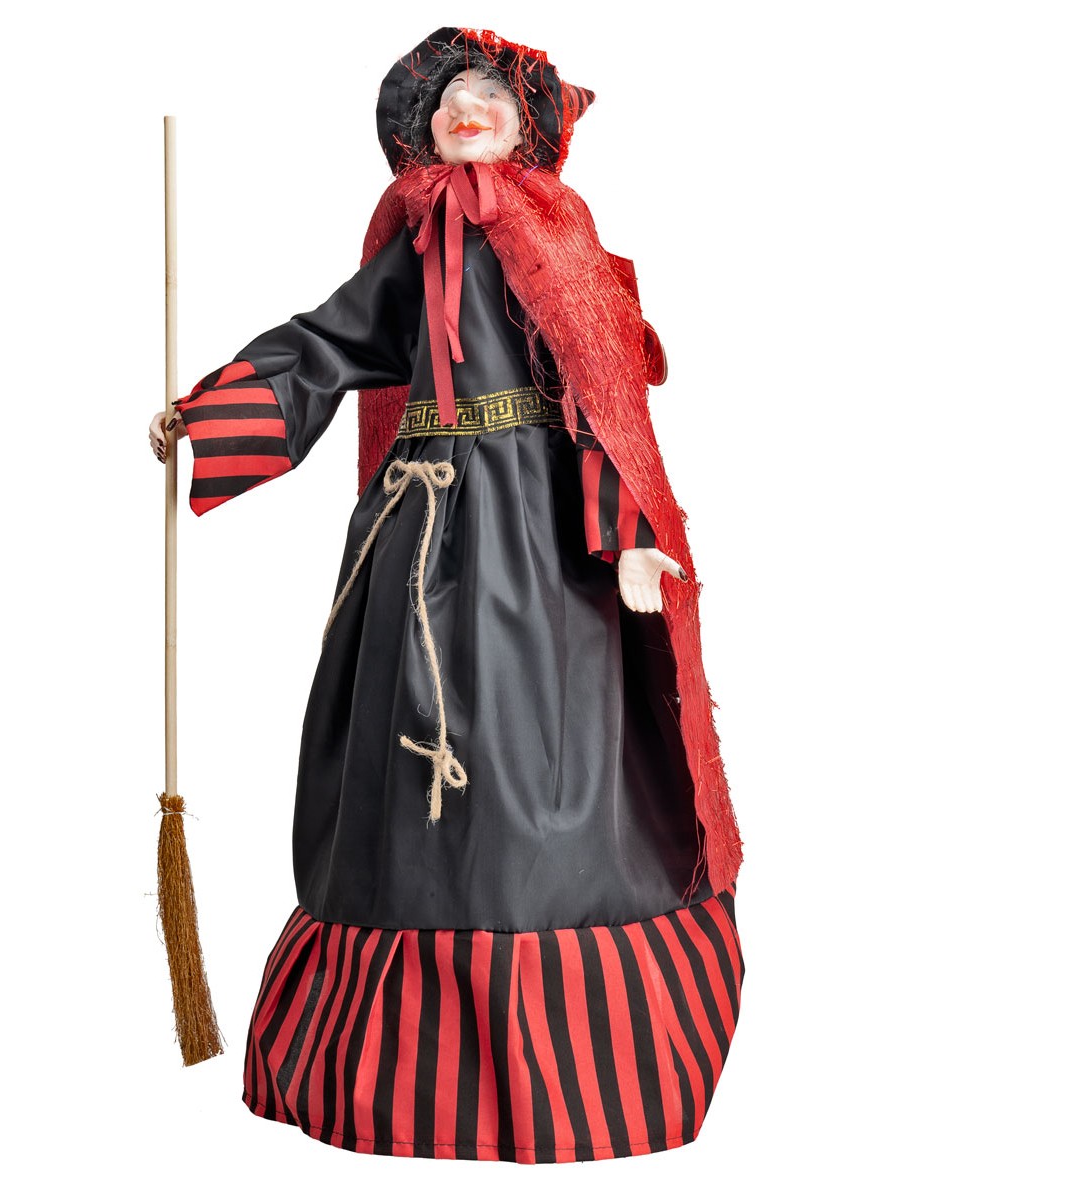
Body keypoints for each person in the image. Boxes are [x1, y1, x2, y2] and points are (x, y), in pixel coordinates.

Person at [149, 27, 743, 1164]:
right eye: (451, 96)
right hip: (418, 532)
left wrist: (627, 539)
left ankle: (567, 1065)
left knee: (538, 759)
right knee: (403, 747)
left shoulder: (559, 243)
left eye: (490, 97)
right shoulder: (413, 242)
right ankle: (402, 1072)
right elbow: (326, 344)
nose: (468, 108)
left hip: (544, 543)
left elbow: (602, 401)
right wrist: (208, 415)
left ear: (529, 125)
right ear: (421, 124)